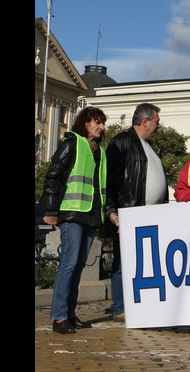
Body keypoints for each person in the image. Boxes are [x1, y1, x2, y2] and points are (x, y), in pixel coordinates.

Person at [42, 106, 120, 334]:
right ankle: (58, 317)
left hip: (90, 215)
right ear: (84, 123)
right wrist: (50, 210)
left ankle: (70, 314)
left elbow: (100, 187)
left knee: (77, 266)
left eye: (102, 123)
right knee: (68, 263)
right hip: (71, 212)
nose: (101, 127)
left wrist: (110, 211)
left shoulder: (99, 151)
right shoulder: (71, 144)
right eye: (97, 122)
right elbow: (53, 177)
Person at [105, 103, 168, 322]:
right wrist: (120, 208)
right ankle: (119, 307)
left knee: (143, 260)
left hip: (150, 214)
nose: (159, 125)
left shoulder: (148, 145)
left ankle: (140, 302)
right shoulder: (123, 141)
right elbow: (111, 178)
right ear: (145, 121)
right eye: (157, 121)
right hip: (131, 212)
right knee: (123, 260)